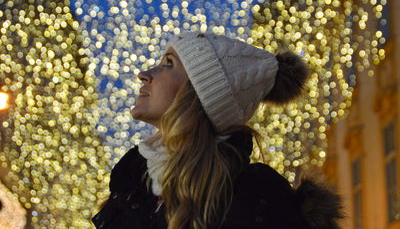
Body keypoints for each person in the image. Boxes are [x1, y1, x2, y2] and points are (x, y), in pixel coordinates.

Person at [92, 32, 343, 229]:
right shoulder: (131, 185)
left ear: (200, 94)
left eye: (169, 64)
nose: (144, 74)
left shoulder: (257, 198)